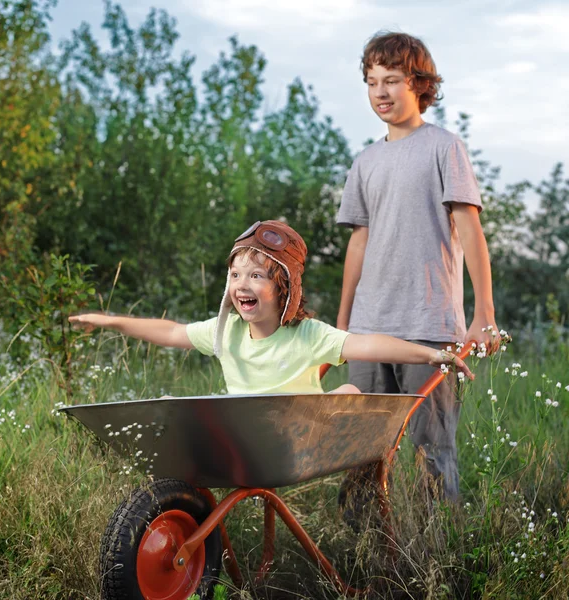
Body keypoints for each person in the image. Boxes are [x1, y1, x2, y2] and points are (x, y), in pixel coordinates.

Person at [336, 31, 499, 507]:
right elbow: (359, 242)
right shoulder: (365, 161)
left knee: (433, 450)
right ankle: (368, 555)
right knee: (360, 452)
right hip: (368, 329)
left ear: (419, 84)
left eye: (392, 80)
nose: (381, 92)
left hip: (427, 327)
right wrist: (343, 326)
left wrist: (483, 311)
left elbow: (469, 231)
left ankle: (436, 558)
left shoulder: (444, 147)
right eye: (372, 82)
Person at [70, 220, 472, 397]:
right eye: (236, 275)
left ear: (283, 289)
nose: (242, 284)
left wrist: (435, 354)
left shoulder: (308, 335)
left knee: (348, 390)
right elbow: (172, 332)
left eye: (257, 276)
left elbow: (371, 346)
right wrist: (109, 321)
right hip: (250, 442)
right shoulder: (224, 332)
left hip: (298, 439)